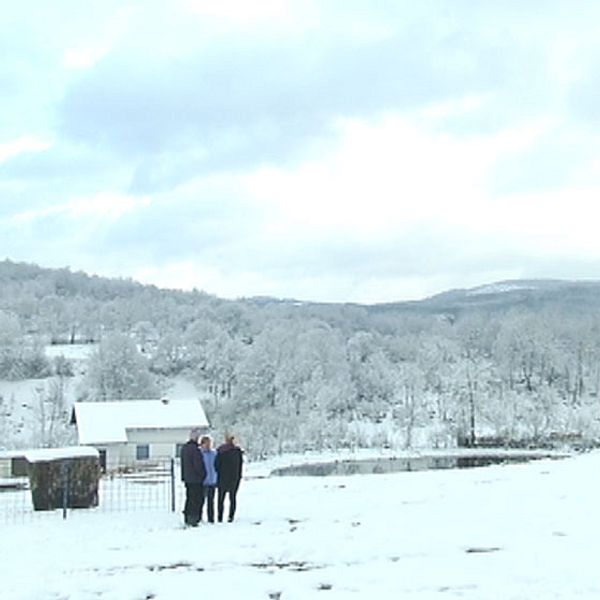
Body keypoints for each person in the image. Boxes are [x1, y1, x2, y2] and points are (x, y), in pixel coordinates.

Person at [180, 428, 206, 527]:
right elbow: (198, 465)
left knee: (189, 498)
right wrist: (203, 474)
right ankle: (194, 518)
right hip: (196, 479)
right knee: (197, 499)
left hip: (187, 478)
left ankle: (187, 517)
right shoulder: (195, 450)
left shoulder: (184, 449)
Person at [215, 433, 243, 523]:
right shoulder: (237, 451)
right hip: (234, 478)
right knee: (232, 498)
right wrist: (238, 476)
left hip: (222, 478)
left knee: (221, 499)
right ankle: (231, 516)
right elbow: (240, 465)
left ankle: (220, 517)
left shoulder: (220, 451)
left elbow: (216, 465)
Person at [199, 435, 217, 523]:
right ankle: (200, 517)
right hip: (203, 481)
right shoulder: (200, 454)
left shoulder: (214, 454)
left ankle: (211, 519)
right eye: (206, 443)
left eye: (210, 443)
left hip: (212, 481)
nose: (209, 445)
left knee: (211, 501)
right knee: (201, 501)